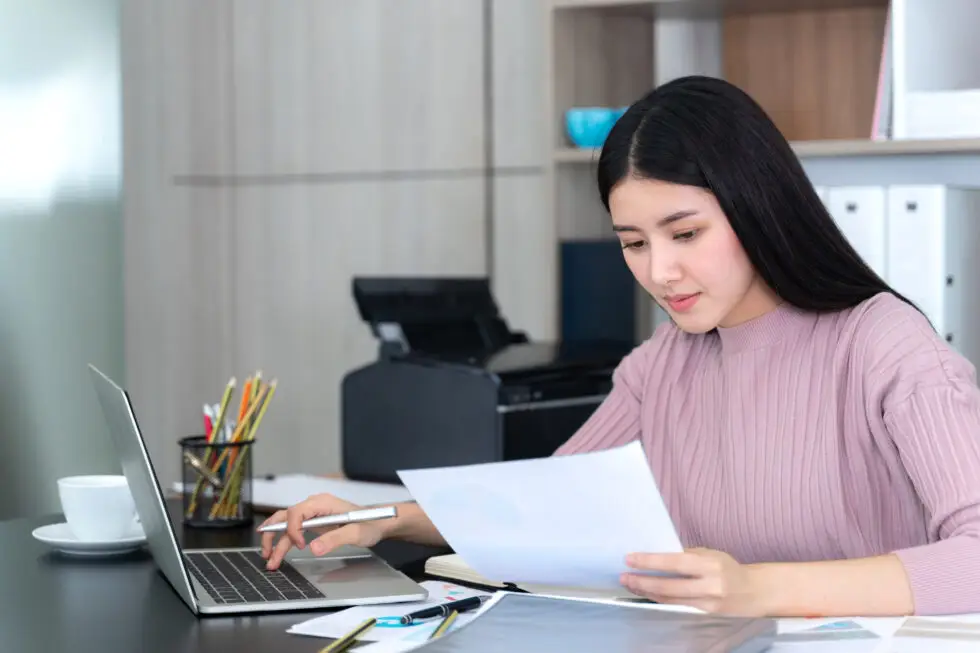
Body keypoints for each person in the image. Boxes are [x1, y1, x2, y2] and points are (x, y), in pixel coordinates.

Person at [259, 75, 980, 618]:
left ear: (759, 204)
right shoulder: (662, 364)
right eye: (634, 243)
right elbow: (550, 503)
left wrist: (758, 587)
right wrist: (383, 520)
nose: (660, 272)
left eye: (686, 233)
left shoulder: (883, 344)